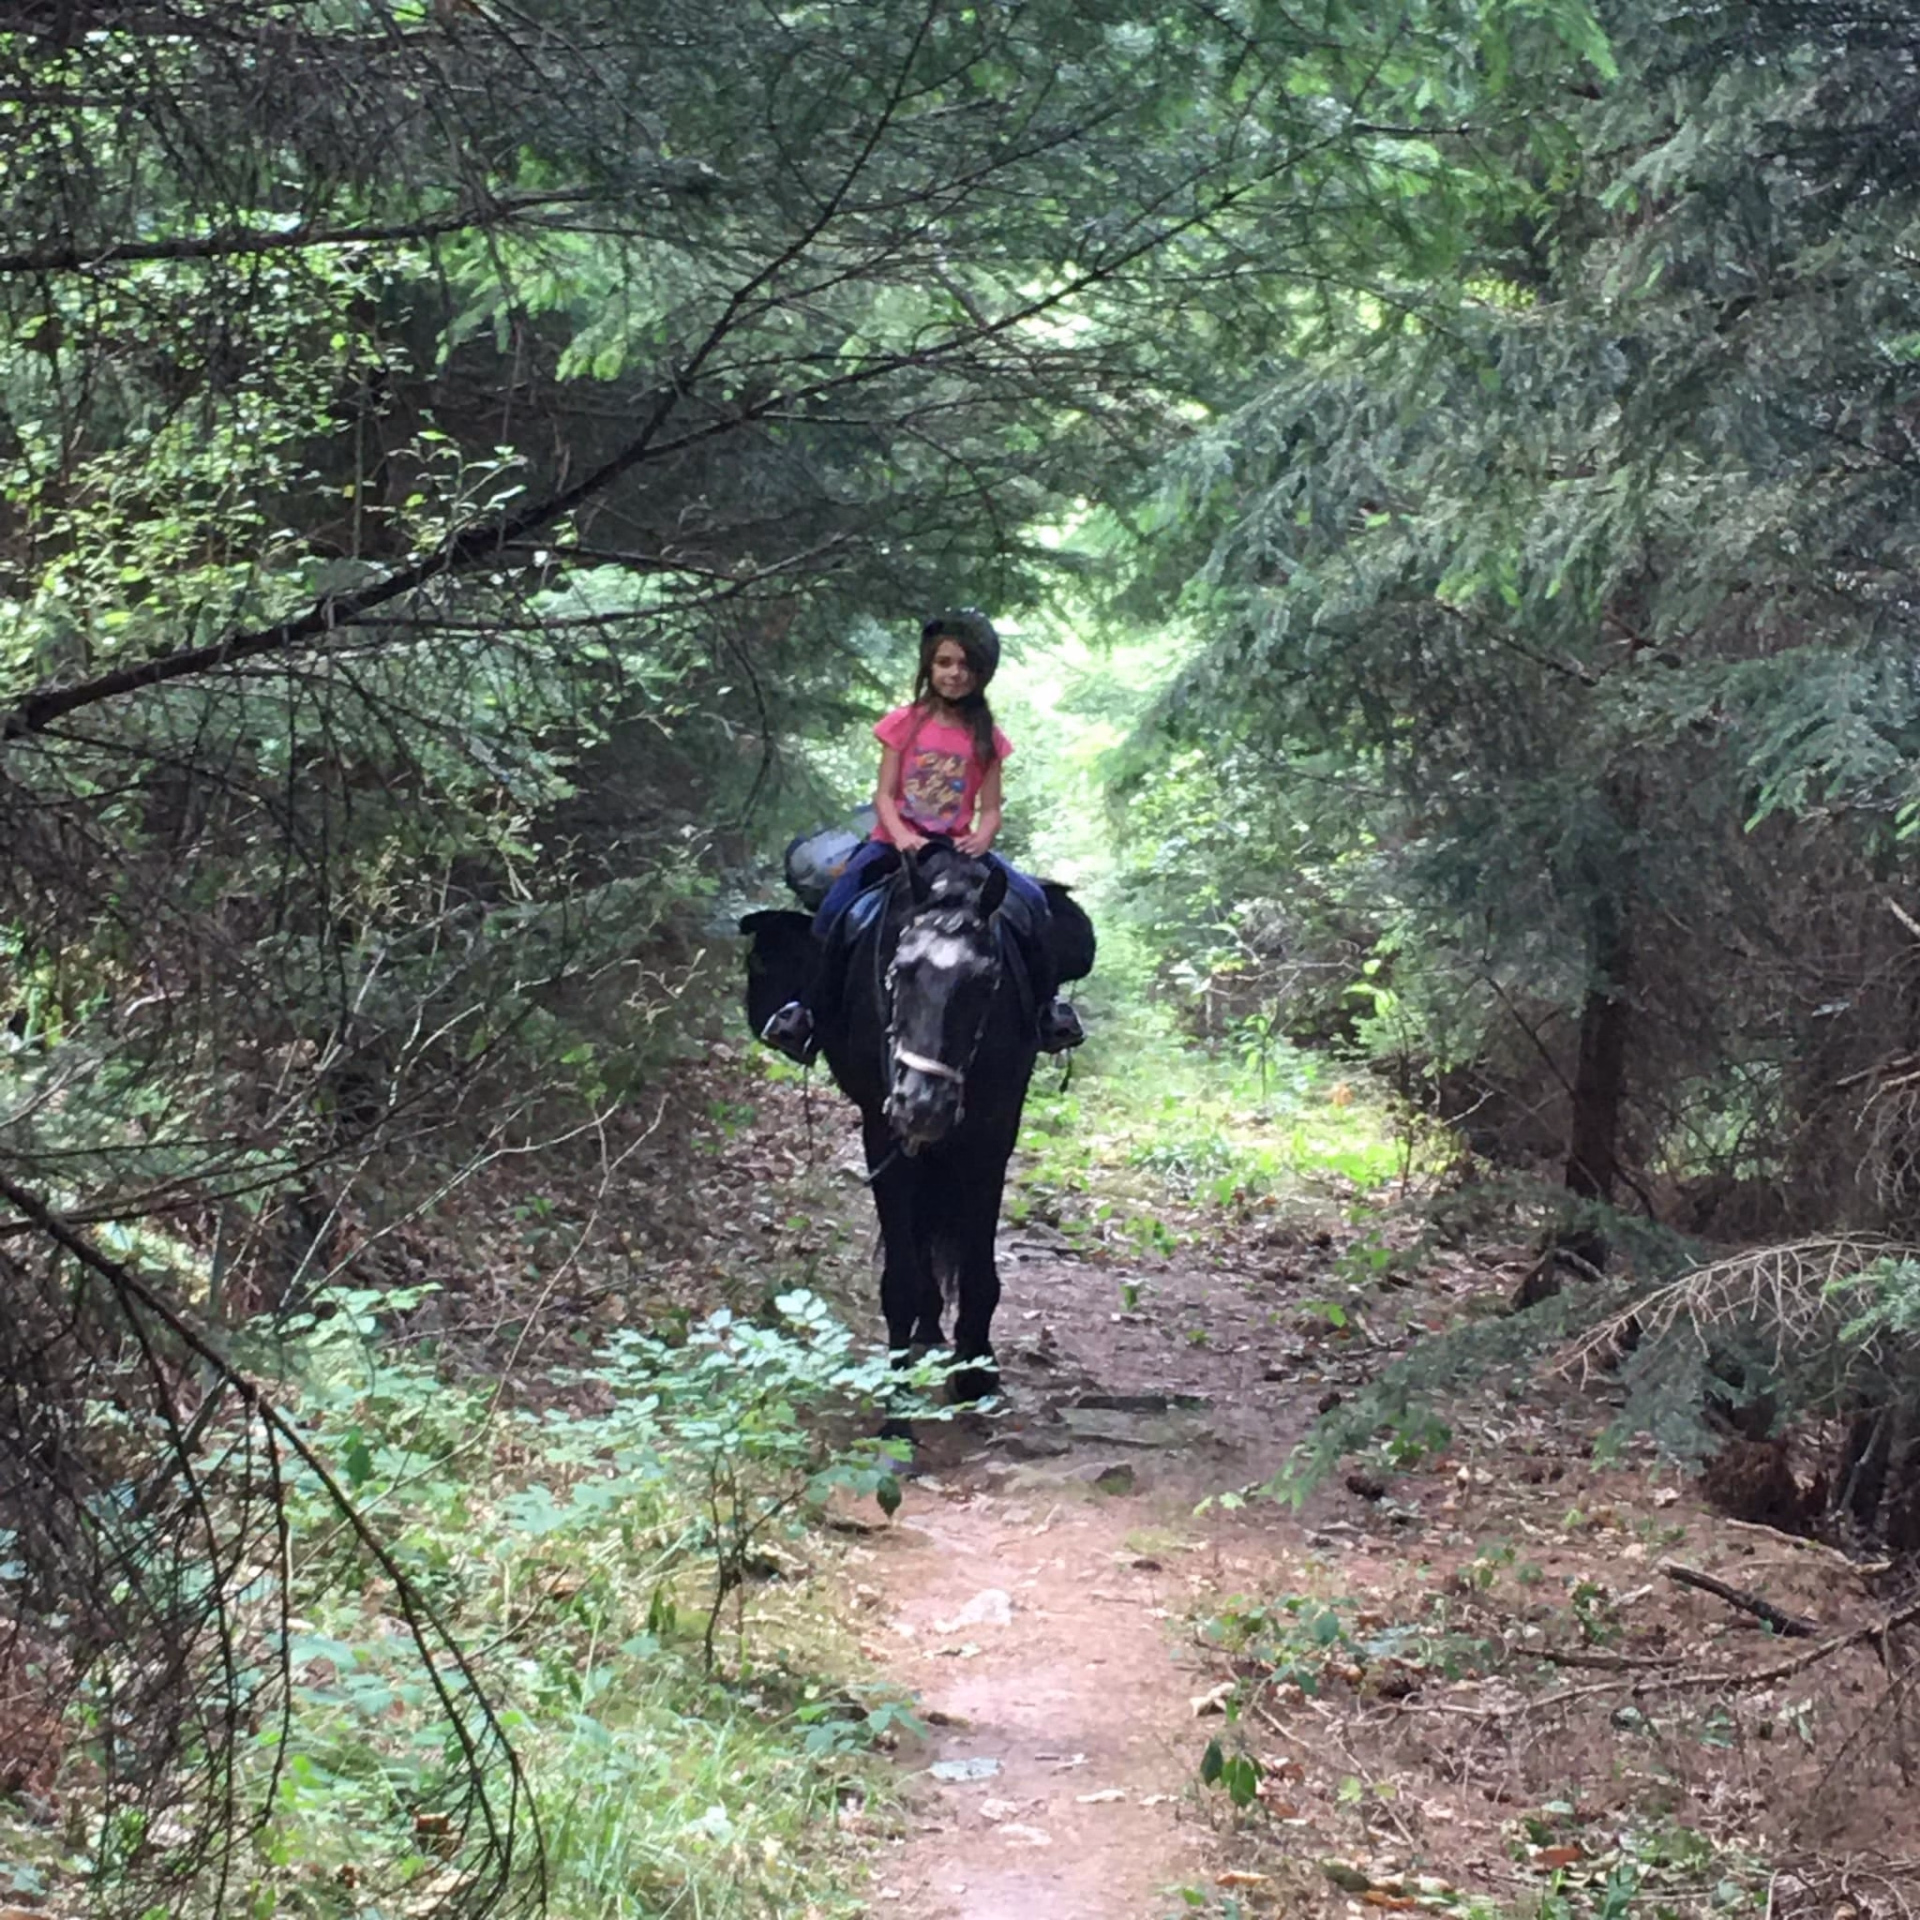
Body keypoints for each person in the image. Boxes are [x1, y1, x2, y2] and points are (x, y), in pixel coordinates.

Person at [759, 608, 1086, 1062]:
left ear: (981, 673)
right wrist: (901, 836)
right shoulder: (903, 724)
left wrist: (983, 838)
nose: (955, 674)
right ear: (929, 667)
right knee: (836, 909)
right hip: (891, 845)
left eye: (966, 665)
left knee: (1030, 900)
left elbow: (990, 809)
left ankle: (1047, 1011)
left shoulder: (988, 738)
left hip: (955, 850)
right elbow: (884, 796)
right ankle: (808, 1011)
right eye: (945, 663)